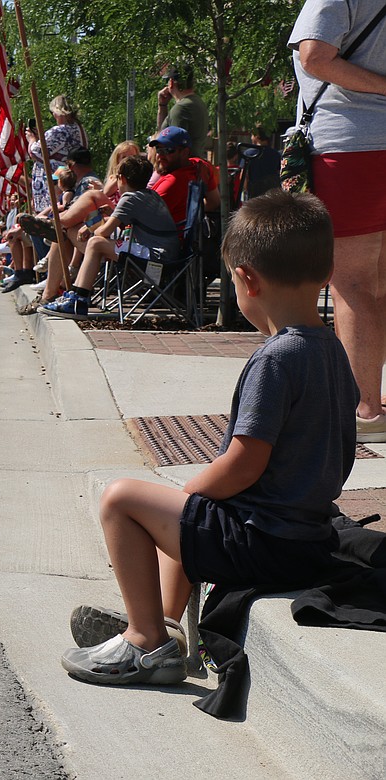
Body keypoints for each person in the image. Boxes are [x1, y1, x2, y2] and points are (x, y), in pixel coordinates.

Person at [60, 191, 356, 686]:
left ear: (245, 279)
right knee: (187, 519)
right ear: (326, 274)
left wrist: (193, 491)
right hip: (308, 537)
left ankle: (145, 643)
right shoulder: (335, 353)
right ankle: (170, 626)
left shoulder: (277, 357)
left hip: (263, 541)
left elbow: (245, 462)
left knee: (124, 500)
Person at [292, 0, 386, 442]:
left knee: (351, 283)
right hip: (370, 149)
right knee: (377, 283)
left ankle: (365, 410)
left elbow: (315, 57)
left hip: (350, 148)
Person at [39, 155, 179, 319]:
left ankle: (78, 300)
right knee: (96, 242)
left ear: (122, 179)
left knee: (96, 243)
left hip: (157, 260)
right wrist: (111, 216)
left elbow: (103, 232)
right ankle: (76, 296)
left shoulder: (129, 198)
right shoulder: (150, 195)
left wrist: (90, 227)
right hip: (167, 255)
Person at [157, 63, 209, 159]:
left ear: (171, 82)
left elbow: (172, 144)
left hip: (180, 170)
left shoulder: (180, 108)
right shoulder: (198, 102)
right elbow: (164, 134)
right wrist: (163, 105)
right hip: (195, 165)